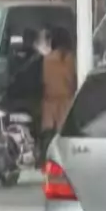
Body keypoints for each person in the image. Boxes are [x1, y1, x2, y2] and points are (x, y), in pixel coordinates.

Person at [41, 26, 77, 162]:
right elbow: (71, 80)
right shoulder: (69, 59)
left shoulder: (47, 59)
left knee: (49, 136)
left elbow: (45, 80)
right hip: (66, 100)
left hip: (49, 101)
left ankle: (47, 160)